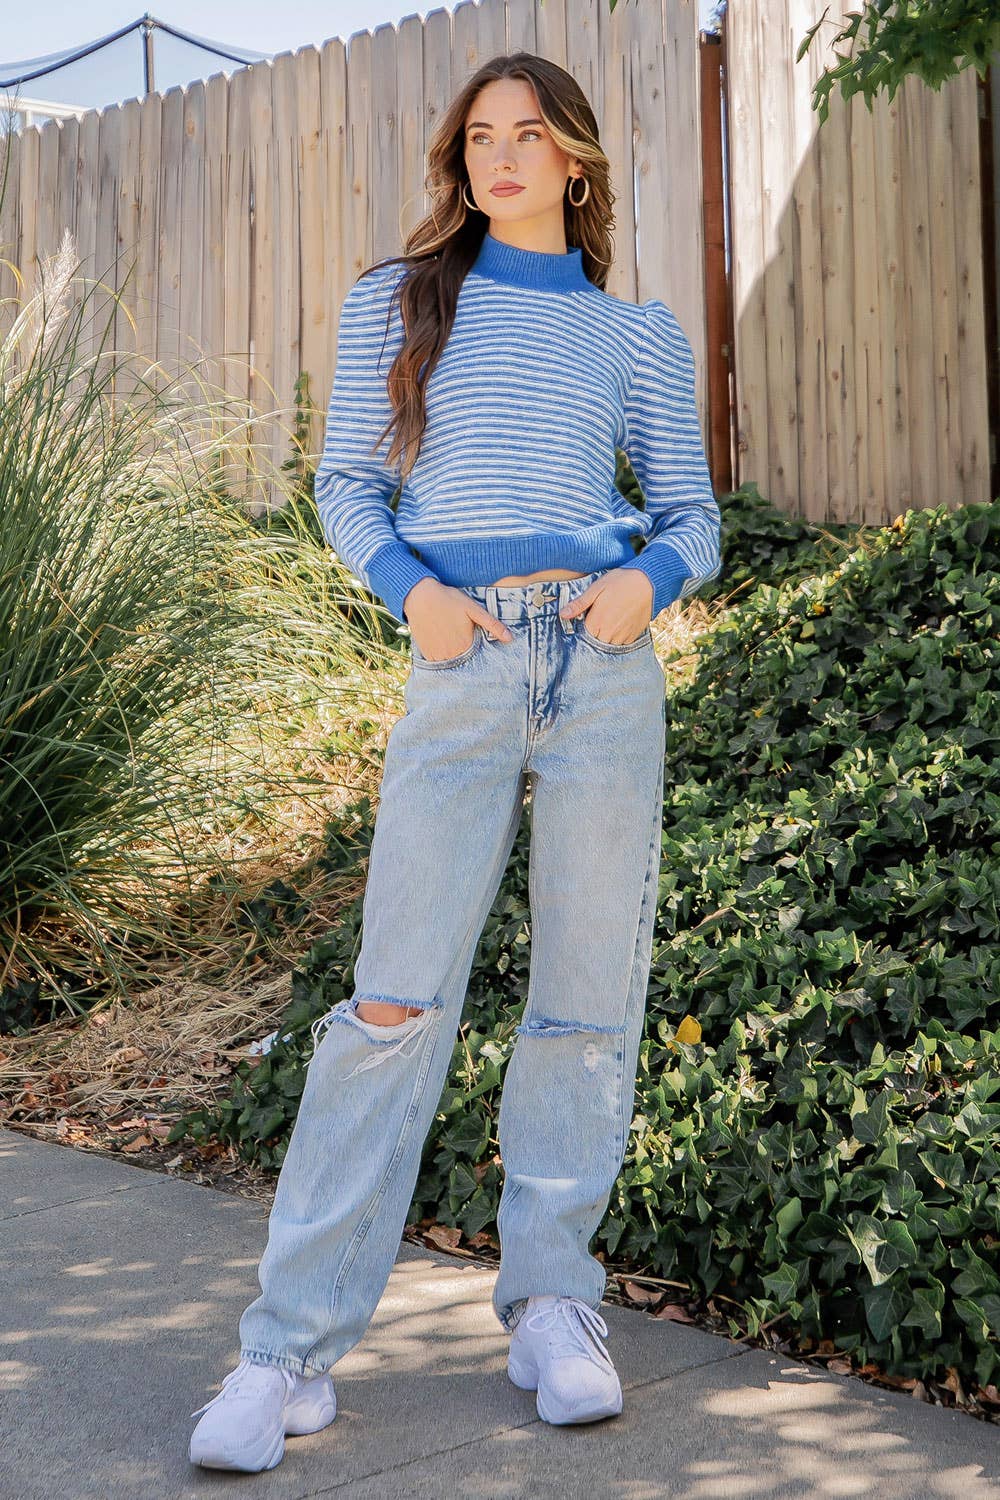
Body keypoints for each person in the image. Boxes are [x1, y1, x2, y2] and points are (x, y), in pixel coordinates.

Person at [189, 49, 721, 1473]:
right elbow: (346, 485)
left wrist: (648, 582)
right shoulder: (401, 300)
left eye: (527, 133)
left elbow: (692, 514)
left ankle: (552, 1305)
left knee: (587, 1006)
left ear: (576, 162)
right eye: (479, 135)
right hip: (462, 665)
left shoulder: (636, 336)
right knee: (390, 1005)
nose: (499, 155)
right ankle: (286, 1352)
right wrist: (413, 595)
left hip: (601, 670)